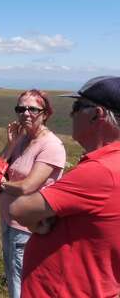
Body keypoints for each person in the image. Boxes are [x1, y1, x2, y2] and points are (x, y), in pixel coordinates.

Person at [10, 76, 120, 298]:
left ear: (97, 114)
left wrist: (40, 222)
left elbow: (19, 209)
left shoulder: (101, 171)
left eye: (77, 107)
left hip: (64, 290)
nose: (71, 114)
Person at [0, 89, 65, 298]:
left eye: (33, 109)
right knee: (12, 270)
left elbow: (27, 187)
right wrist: (10, 143)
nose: (26, 113)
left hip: (28, 225)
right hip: (8, 219)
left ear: (46, 113)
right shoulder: (22, 138)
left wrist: (3, 184)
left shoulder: (51, 146)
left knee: (21, 277)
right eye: (21, 109)